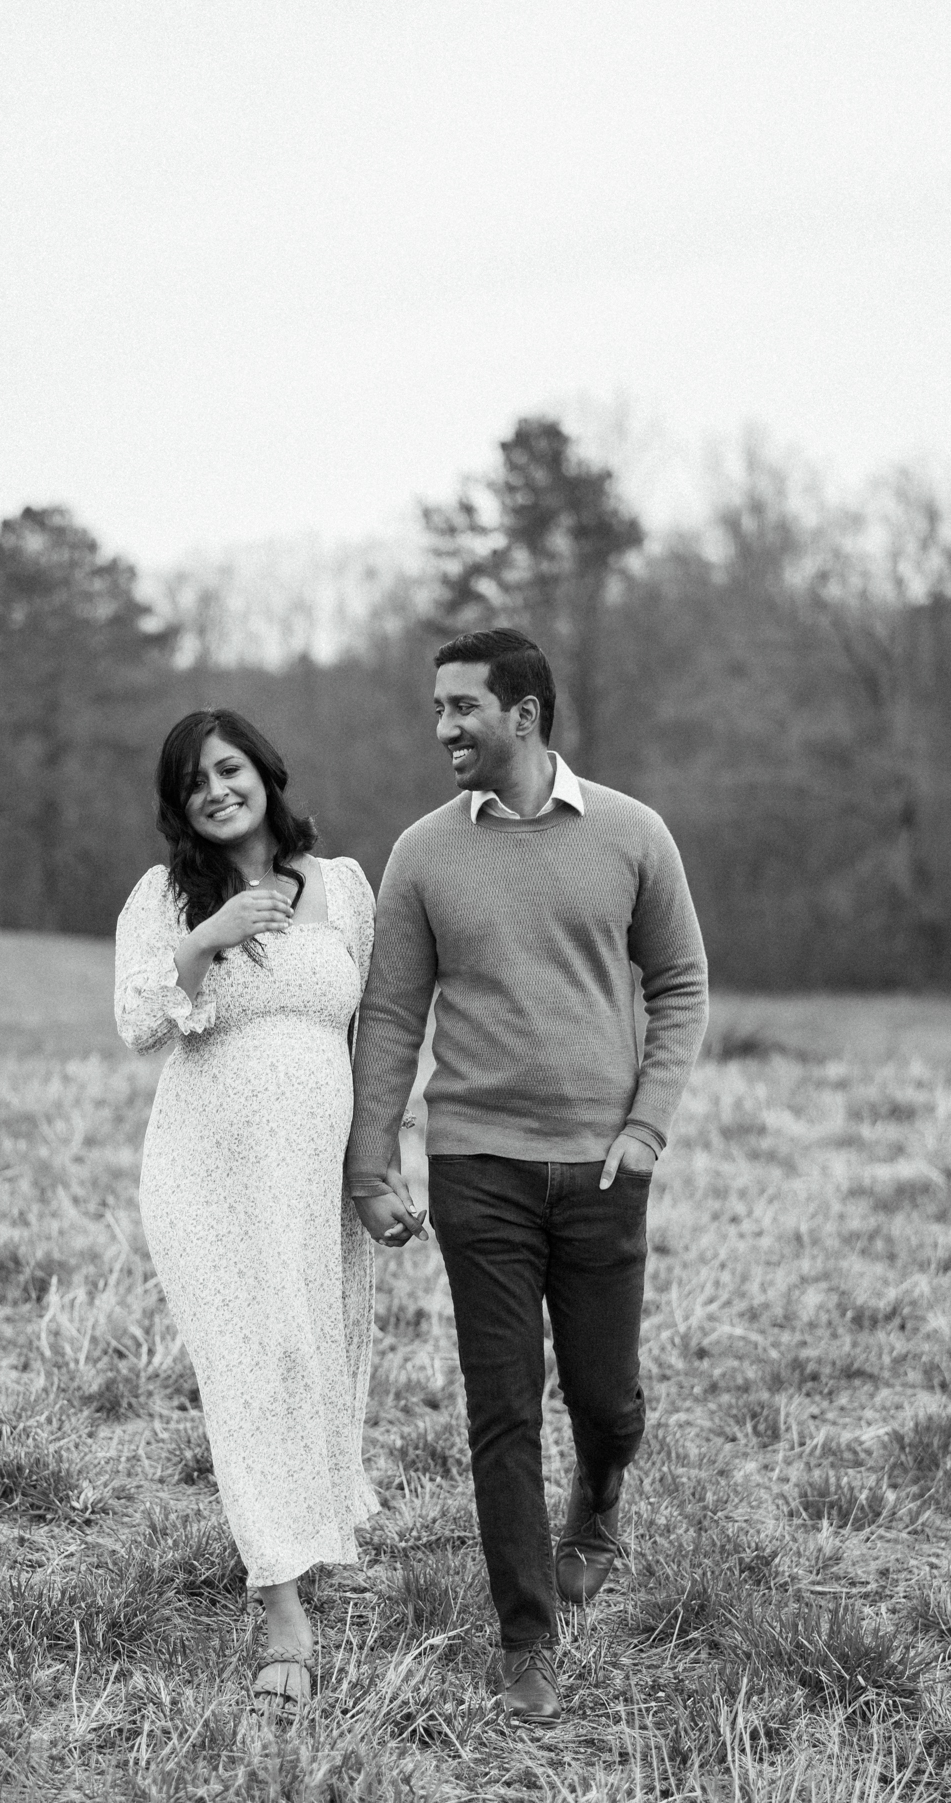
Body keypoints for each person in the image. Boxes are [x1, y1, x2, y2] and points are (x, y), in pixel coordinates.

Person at [346, 627, 709, 1728]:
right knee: (499, 1403)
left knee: (604, 1394)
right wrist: (372, 1156)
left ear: (525, 714)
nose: (442, 726)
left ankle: (596, 1499)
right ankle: (525, 1633)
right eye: (438, 707)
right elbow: (394, 1015)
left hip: (601, 1168)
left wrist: (644, 1130)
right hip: (476, 1168)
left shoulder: (632, 834)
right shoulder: (420, 853)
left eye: (462, 706)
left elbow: (681, 983)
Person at [115, 708, 397, 1711]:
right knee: (245, 1365)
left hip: (315, 1175)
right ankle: (278, 1601)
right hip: (205, 1171)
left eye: (228, 768)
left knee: (311, 1351)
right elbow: (138, 1020)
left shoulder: (347, 888)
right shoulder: (165, 895)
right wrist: (206, 938)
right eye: (194, 782)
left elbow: (375, 1033)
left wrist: (377, 1167)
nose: (216, 790)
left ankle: (311, 1527)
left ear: (265, 774)